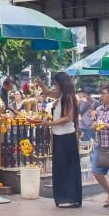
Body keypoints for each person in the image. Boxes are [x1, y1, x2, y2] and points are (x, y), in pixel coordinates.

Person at [35, 72, 82, 208]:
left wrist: (49, 124)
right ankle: (62, 197)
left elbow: (67, 118)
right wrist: (41, 83)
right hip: (58, 136)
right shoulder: (61, 95)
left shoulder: (68, 97)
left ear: (61, 84)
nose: (55, 86)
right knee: (60, 167)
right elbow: (48, 92)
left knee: (68, 168)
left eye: (56, 83)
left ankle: (72, 197)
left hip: (67, 136)